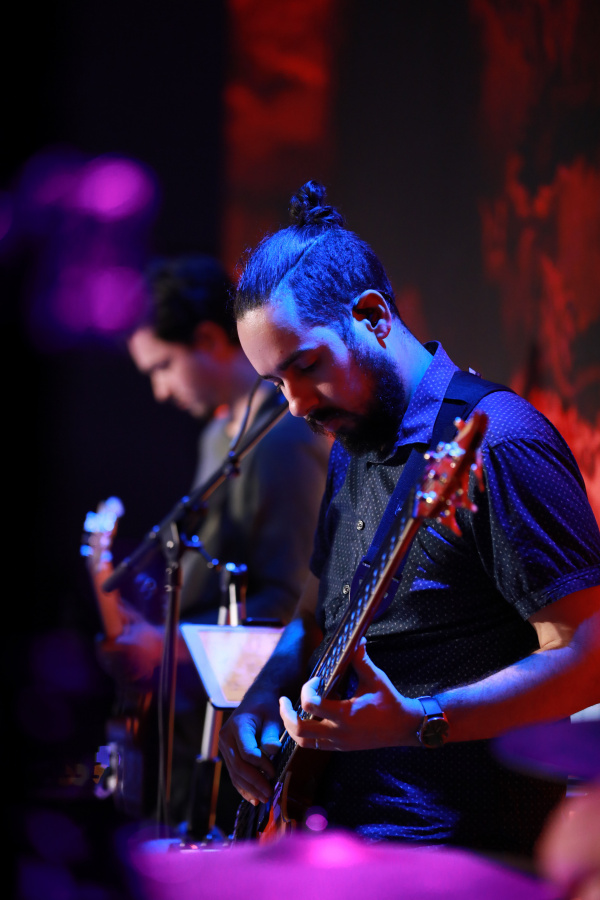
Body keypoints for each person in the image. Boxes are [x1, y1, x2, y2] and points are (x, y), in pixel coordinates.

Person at [218, 181, 600, 858]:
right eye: (276, 383)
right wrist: (255, 701)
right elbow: (318, 618)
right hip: (340, 840)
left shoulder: (501, 444)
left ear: (373, 316)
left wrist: (421, 720)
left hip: (461, 856)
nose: (296, 405)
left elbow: (588, 653)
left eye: (306, 366)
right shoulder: (354, 439)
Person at [94, 254, 330, 829]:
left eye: (163, 366)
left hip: (242, 734)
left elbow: (294, 602)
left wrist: (171, 646)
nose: (159, 390)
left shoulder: (282, 440)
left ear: (207, 339)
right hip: (197, 721)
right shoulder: (218, 437)